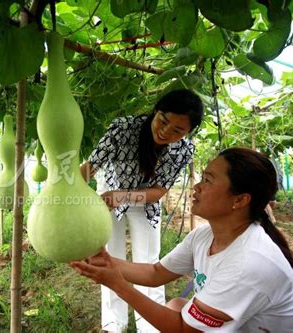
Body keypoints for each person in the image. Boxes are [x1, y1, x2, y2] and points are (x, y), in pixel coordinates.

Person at [72, 147, 293, 332]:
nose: (197, 186)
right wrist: (106, 260)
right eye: (202, 177)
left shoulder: (248, 263)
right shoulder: (204, 235)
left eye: (208, 180)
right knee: (176, 306)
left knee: (177, 313)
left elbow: (183, 329)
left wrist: (118, 284)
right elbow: (156, 273)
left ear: (240, 200)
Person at [80, 89, 204, 332]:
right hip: (109, 192)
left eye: (177, 131)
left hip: (144, 200)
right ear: (155, 111)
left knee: (148, 260)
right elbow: (92, 166)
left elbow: (159, 190)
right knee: (108, 257)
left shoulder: (183, 150)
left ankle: (149, 326)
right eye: (163, 120)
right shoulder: (123, 128)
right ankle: (113, 325)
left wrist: (125, 196)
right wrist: (67, 194)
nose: (165, 131)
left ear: (188, 133)